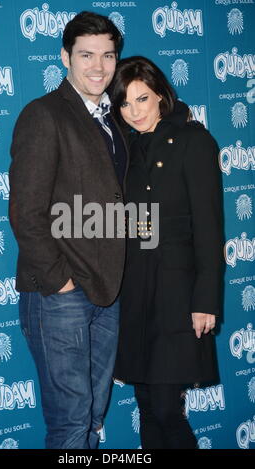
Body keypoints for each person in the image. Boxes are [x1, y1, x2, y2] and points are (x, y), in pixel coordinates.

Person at [9, 12, 128, 449]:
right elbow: (25, 210)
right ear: (65, 57)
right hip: (61, 295)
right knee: (71, 422)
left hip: (106, 292)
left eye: (108, 55)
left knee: (93, 416)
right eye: (86, 55)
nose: (98, 67)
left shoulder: (113, 121)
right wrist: (60, 280)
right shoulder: (43, 115)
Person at [111, 56, 223, 449]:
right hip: (135, 292)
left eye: (142, 99)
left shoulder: (194, 141)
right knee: (145, 407)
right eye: (124, 103)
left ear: (161, 94)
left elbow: (209, 227)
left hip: (178, 294)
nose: (134, 111)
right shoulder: (123, 146)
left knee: (165, 410)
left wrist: (205, 300)